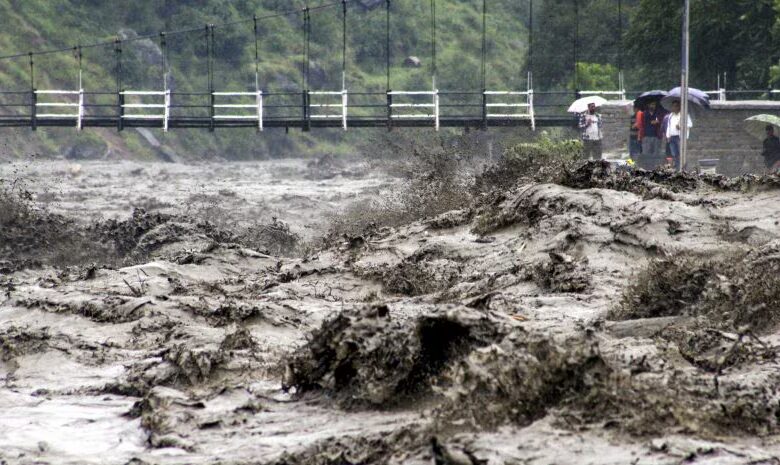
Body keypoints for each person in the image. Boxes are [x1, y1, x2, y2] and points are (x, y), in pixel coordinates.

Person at [636, 100, 666, 167]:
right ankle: (646, 167)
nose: (653, 106)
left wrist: (658, 122)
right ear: (648, 105)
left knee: (656, 154)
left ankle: (655, 167)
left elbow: (662, 121)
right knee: (646, 153)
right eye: (651, 104)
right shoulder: (644, 113)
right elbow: (640, 124)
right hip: (646, 136)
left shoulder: (658, 113)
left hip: (656, 136)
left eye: (654, 105)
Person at [664, 100, 692, 171]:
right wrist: (668, 136)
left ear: (679, 107)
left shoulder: (684, 115)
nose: (674, 108)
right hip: (672, 137)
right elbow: (669, 126)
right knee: (674, 154)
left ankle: (683, 169)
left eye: (675, 106)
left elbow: (690, 124)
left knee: (681, 154)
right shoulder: (671, 115)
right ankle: (677, 168)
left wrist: (681, 126)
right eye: (673, 106)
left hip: (680, 137)